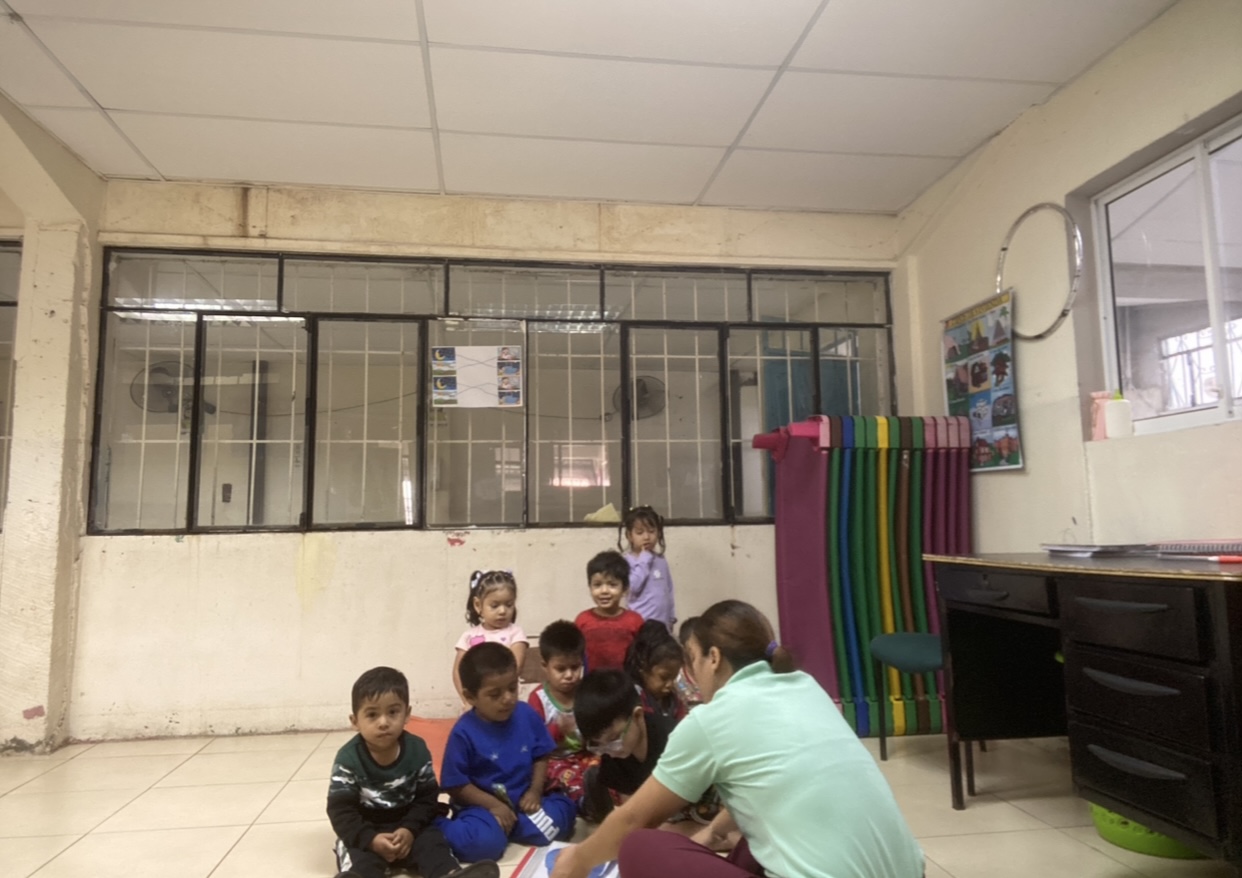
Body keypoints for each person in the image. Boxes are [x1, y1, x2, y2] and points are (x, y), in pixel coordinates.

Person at [550, 600, 924, 878]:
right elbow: (768, 791)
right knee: (752, 841)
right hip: (910, 871)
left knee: (639, 847)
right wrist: (712, 832)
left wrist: (578, 860)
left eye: (693, 660)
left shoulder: (711, 719)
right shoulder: (807, 686)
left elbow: (635, 819)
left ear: (713, 658)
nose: (691, 676)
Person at [326, 666, 499, 878]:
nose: (383, 722)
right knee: (361, 861)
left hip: (411, 829)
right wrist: (370, 839)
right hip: (367, 832)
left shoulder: (417, 750)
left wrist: (409, 829)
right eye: (372, 714)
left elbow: (427, 799)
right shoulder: (348, 759)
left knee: (433, 846)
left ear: (407, 714)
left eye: (393, 712)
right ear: (355, 722)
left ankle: (451, 874)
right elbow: (340, 811)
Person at [437, 643, 577, 862]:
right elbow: (455, 784)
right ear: (470, 697)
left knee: (559, 821)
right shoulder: (463, 733)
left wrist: (534, 791)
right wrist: (494, 806)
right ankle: (437, 825)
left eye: (512, 688)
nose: (508, 698)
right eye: (495, 694)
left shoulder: (526, 713)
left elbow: (541, 755)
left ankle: (510, 827)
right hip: (482, 809)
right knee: (483, 846)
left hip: (523, 803)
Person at [573, 669, 676, 822]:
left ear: (637, 715)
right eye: (598, 745)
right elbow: (631, 810)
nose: (610, 751)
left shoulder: (673, 740)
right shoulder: (612, 753)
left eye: (614, 738)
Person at [528, 620, 598, 807]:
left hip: (585, 755)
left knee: (606, 768)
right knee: (564, 778)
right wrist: (557, 730)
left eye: (575, 667)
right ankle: (585, 803)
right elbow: (535, 744)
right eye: (561, 669)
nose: (569, 675)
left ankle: (603, 796)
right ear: (545, 666)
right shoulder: (538, 699)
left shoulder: (586, 692)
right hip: (553, 760)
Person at [453, 570, 527, 709]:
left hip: (508, 702)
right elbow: (458, 671)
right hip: (477, 704)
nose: (502, 611)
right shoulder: (468, 637)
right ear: (478, 605)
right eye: (495, 606)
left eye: (509, 604)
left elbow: (515, 667)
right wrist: (467, 700)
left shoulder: (516, 633)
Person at [575, 551, 643, 671]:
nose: (604, 591)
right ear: (590, 587)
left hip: (625, 681)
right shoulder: (582, 620)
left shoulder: (635, 621)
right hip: (591, 681)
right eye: (597, 585)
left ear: (625, 589)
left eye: (612, 585)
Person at [619, 505, 675, 631]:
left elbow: (669, 590)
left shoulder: (660, 560)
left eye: (651, 531)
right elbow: (632, 588)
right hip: (641, 625)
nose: (646, 537)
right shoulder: (626, 562)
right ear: (629, 536)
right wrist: (644, 560)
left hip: (663, 625)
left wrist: (671, 617)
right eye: (640, 533)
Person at [624, 619, 688, 722]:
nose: (670, 685)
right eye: (664, 677)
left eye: (673, 678)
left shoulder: (674, 702)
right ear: (643, 667)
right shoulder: (633, 699)